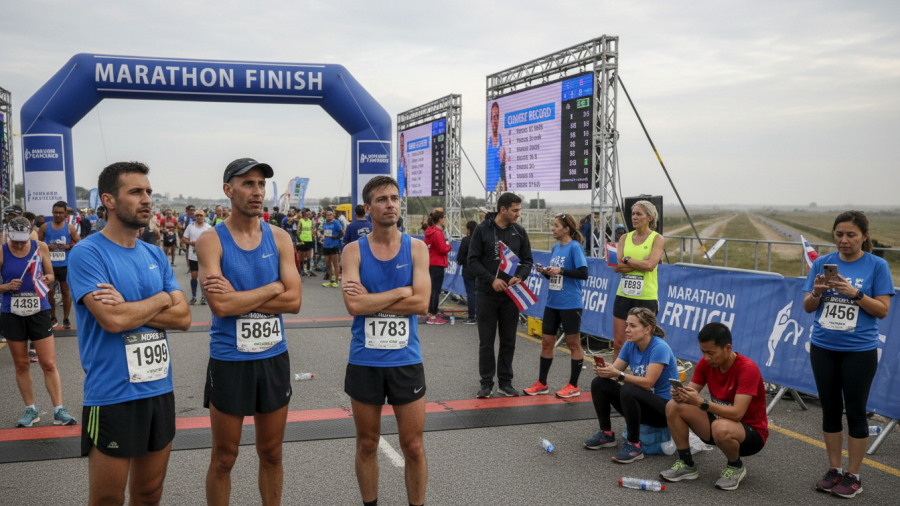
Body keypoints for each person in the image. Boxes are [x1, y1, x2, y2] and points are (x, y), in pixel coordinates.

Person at [68, 161, 191, 506]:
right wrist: (163, 299)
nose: (147, 199)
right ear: (108, 200)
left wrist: (135, 307)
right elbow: (113, 320)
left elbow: (183, 318)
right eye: (136, 191)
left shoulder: (154, 253)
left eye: (149, 191)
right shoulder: (87, 253)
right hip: (112, 395)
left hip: (159, 389)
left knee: (149, 493)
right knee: (108, 498)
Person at [196, 158, 302, 506]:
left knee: (272, 453)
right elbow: (221, 307)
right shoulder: (211, 240)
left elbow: (295, 300)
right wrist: (273, 288)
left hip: (273, 357)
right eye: (247, 184)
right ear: (228, 190)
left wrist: (242, 298)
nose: (257, 191)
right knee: (224, 457)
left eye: (260, 184)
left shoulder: (281, 237)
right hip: (230, 360)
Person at [340, 175, 430, 506]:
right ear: (368, 208)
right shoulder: (353, 251)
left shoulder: (417, 247)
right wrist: (400, 292)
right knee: (366, 443)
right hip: (365, 361)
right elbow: (354, 305)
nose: (390, 204)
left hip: (406, 360)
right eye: (382, 199)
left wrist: (373, 299)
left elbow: (421, 304)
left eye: (394, 198)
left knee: (413, 445)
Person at [802, 211, 894, 498]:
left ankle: (854, 475)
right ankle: (834, 469)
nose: (844, 240)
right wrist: (817, 292)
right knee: (829, 410)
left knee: (855, 412)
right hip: (823, 347)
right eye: (839, 234)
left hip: (859, 351)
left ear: (864, 236)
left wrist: (854, 293)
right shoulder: (821, 262)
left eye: (851, 234)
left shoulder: (877, 265)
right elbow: (807, 306)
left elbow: (882, 309)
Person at [660, 322, 768, 491]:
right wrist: (681, 395)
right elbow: (691, 393)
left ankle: (735, 467)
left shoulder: (747, 369)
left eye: (711, 352)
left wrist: (702, 403)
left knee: (720, 427)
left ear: (727, 347)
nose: (706, 357)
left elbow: (738, 413)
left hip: (752, 434)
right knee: (674, 405)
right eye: (703, 352)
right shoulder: (706, 363)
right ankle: (686, 464)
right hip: (720, 424)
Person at [1, 217, 77, 428]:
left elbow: (51, 274)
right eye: (14, 240)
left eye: (22, 241)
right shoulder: (2, 250)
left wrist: (48, 280)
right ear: (8, 234)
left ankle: (59, 409)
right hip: (12, 312)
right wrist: (6, 287)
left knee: (48, 363)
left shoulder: (40, 247)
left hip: (38, 310)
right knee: (22, 364)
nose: (18, 245)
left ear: (30, 234)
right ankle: (30, 410)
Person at [585, 307, 678, 463]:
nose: (627, 330)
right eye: (627, 325)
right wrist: (605, 371)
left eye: (633, 326)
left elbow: (648, 383)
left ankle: (634, 445)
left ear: (647, 329)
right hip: (644, 403)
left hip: (665, 410)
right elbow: (616, 372)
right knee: (599, 383)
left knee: (629, 388)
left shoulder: (659, 347)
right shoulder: (630, 344)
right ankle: (606, 434)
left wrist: (617, 374)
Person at [466, 193, 533, 398]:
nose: (518, 214)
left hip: (510, 296)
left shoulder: (519, 232)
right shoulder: (481, 230)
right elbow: (472, 261)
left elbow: (528, 261)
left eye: (519, 210)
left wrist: (519, 276)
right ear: (502, 210)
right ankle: (486, 383)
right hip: (486, 294)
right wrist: (491, 279)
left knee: (509, 341)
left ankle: (506, 382)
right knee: (486, 341)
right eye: (515, 210)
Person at [525, 213, 588, 398]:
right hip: (552, 302)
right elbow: (556, 276)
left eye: (556, 225)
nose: (552, 229)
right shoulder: (555, 247)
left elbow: (583, 273)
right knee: (546, 342)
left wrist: (560, 270)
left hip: (570, 303)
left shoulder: (575, 247)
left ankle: (573, 385)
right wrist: (545, 272)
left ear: (566, 229)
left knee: (572, 343)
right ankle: (542, 383)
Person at [612, 200, 664, 360]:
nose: (634, 217)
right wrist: (638, 262)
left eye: (639, 214)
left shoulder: (657, 239)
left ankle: (644, 380)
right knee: (619, 343)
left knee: (644, 344)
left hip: (646, 297)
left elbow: (650, 265)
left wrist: (627, 259)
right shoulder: (624, 238)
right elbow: (617, 267)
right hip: (623, 295)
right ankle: (613, 380)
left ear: (650, 217)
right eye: (633, 214)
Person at [38, 200, 80, 329]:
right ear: (52, 213)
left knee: (66, 292)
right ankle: (52, 317)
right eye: (55, 212)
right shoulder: (45, 227)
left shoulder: (70, 228)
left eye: (61, 213)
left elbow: (80, 244)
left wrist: (68, 246)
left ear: (65, 214)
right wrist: (46, 247)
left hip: (65, 265)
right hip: (48, 265)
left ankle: (66, 318)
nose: (58, 215)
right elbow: (36, 243)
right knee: (49, 292)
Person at [423, 210, 452, 324]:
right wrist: (449, 245)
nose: (444, 220)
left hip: (430, 263)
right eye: (444, 218)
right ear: (440, 220)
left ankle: (430, 312)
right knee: (435, 290)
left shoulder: (429, 231)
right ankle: (433, 315)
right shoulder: (438, 232)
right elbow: (442, 249)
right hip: (438, 264)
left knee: (431, 290)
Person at [183, 209, 211, 305]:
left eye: (201, 215)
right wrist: (190, 243)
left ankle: (203, 297)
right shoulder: (190, 227)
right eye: (197, 215)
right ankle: (194, 296)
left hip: (205, 255)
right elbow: (184, 238)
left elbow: (213, 240)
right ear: (195, 217)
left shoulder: (208, 227)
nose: (199, 217)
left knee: (203, 277)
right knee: (194, 276)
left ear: (204, 216)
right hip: (193, 255)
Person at [457, 220, 478, 325]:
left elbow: (460, 255)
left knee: (471, 293)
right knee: (479, 293)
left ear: (468, 229)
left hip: (468, 269)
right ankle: (480, 315)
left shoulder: (466, 240)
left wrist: (459, 261)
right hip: (479, 270)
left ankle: (471, 316)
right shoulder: (480, 240)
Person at [320, 209, 343, 288]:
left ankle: (336, 281)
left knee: (335, 264)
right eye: (328, 215)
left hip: (334, 245)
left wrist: (332, 236)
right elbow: (325, 233)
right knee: (328, 264)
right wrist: (323, 238)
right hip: (326, 245)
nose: (329, 216)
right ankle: (330, 280)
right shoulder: (324, 223)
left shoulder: (336, 223)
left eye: (331, 214)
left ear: (333, 215)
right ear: (325, 216)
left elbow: (341, 234)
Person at [487, 102, 506, 192]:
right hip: (489, 187)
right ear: (491, 120)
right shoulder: (487, 142)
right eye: (493, 117)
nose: (495, 120)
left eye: (497, 117)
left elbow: (503, 171)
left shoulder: (503, 140)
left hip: (499, 187)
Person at [297, 209, 316, 277]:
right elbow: (298, 231)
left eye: (309, 212)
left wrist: (313, 236)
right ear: (304, 213)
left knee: (309, 257)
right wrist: (299, 239)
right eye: (307, 212)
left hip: (309, 240)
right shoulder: (300, 221)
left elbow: (312, 230)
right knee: (301, 257)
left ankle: (308, 270)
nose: (308, 213)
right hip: (302, 240)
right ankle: (302, 270)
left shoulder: (310, 221)